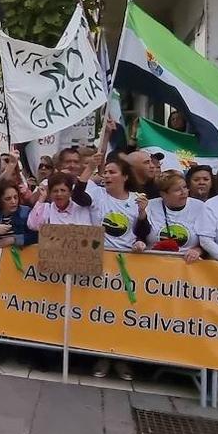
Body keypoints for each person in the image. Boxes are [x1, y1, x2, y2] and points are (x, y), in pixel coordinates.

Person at [87, 157, 149, 380]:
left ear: (125, 176)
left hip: (127, 266)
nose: (107, 176)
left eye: (113, 172)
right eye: (105, 172)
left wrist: (142, 215)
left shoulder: (136, 199)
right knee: (101, 314)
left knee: (124, 315)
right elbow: (79, 195)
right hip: (99, 263)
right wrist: (91, 164)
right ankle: (102, 358)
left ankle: (121, 359)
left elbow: (143, 232)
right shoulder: (98, 194)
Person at [138, 171, 204, 260]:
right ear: (163, 194)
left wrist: (198, 251)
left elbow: (207, 240)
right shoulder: (149, 206)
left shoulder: (200, 206)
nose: (183, 192)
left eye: (185, 187)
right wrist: (139, 243)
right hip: (154, 260)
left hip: (187, 262)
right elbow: (140, 235)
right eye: (177, 190)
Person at [28, 172, 93, 228]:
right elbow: (32, 225)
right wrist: (42, 198)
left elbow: (87, 231)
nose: (59, 194)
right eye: (55, 191)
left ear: (70, 192)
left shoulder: (80, 209)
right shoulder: (47, 208)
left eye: (63, 190)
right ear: (50, 193)